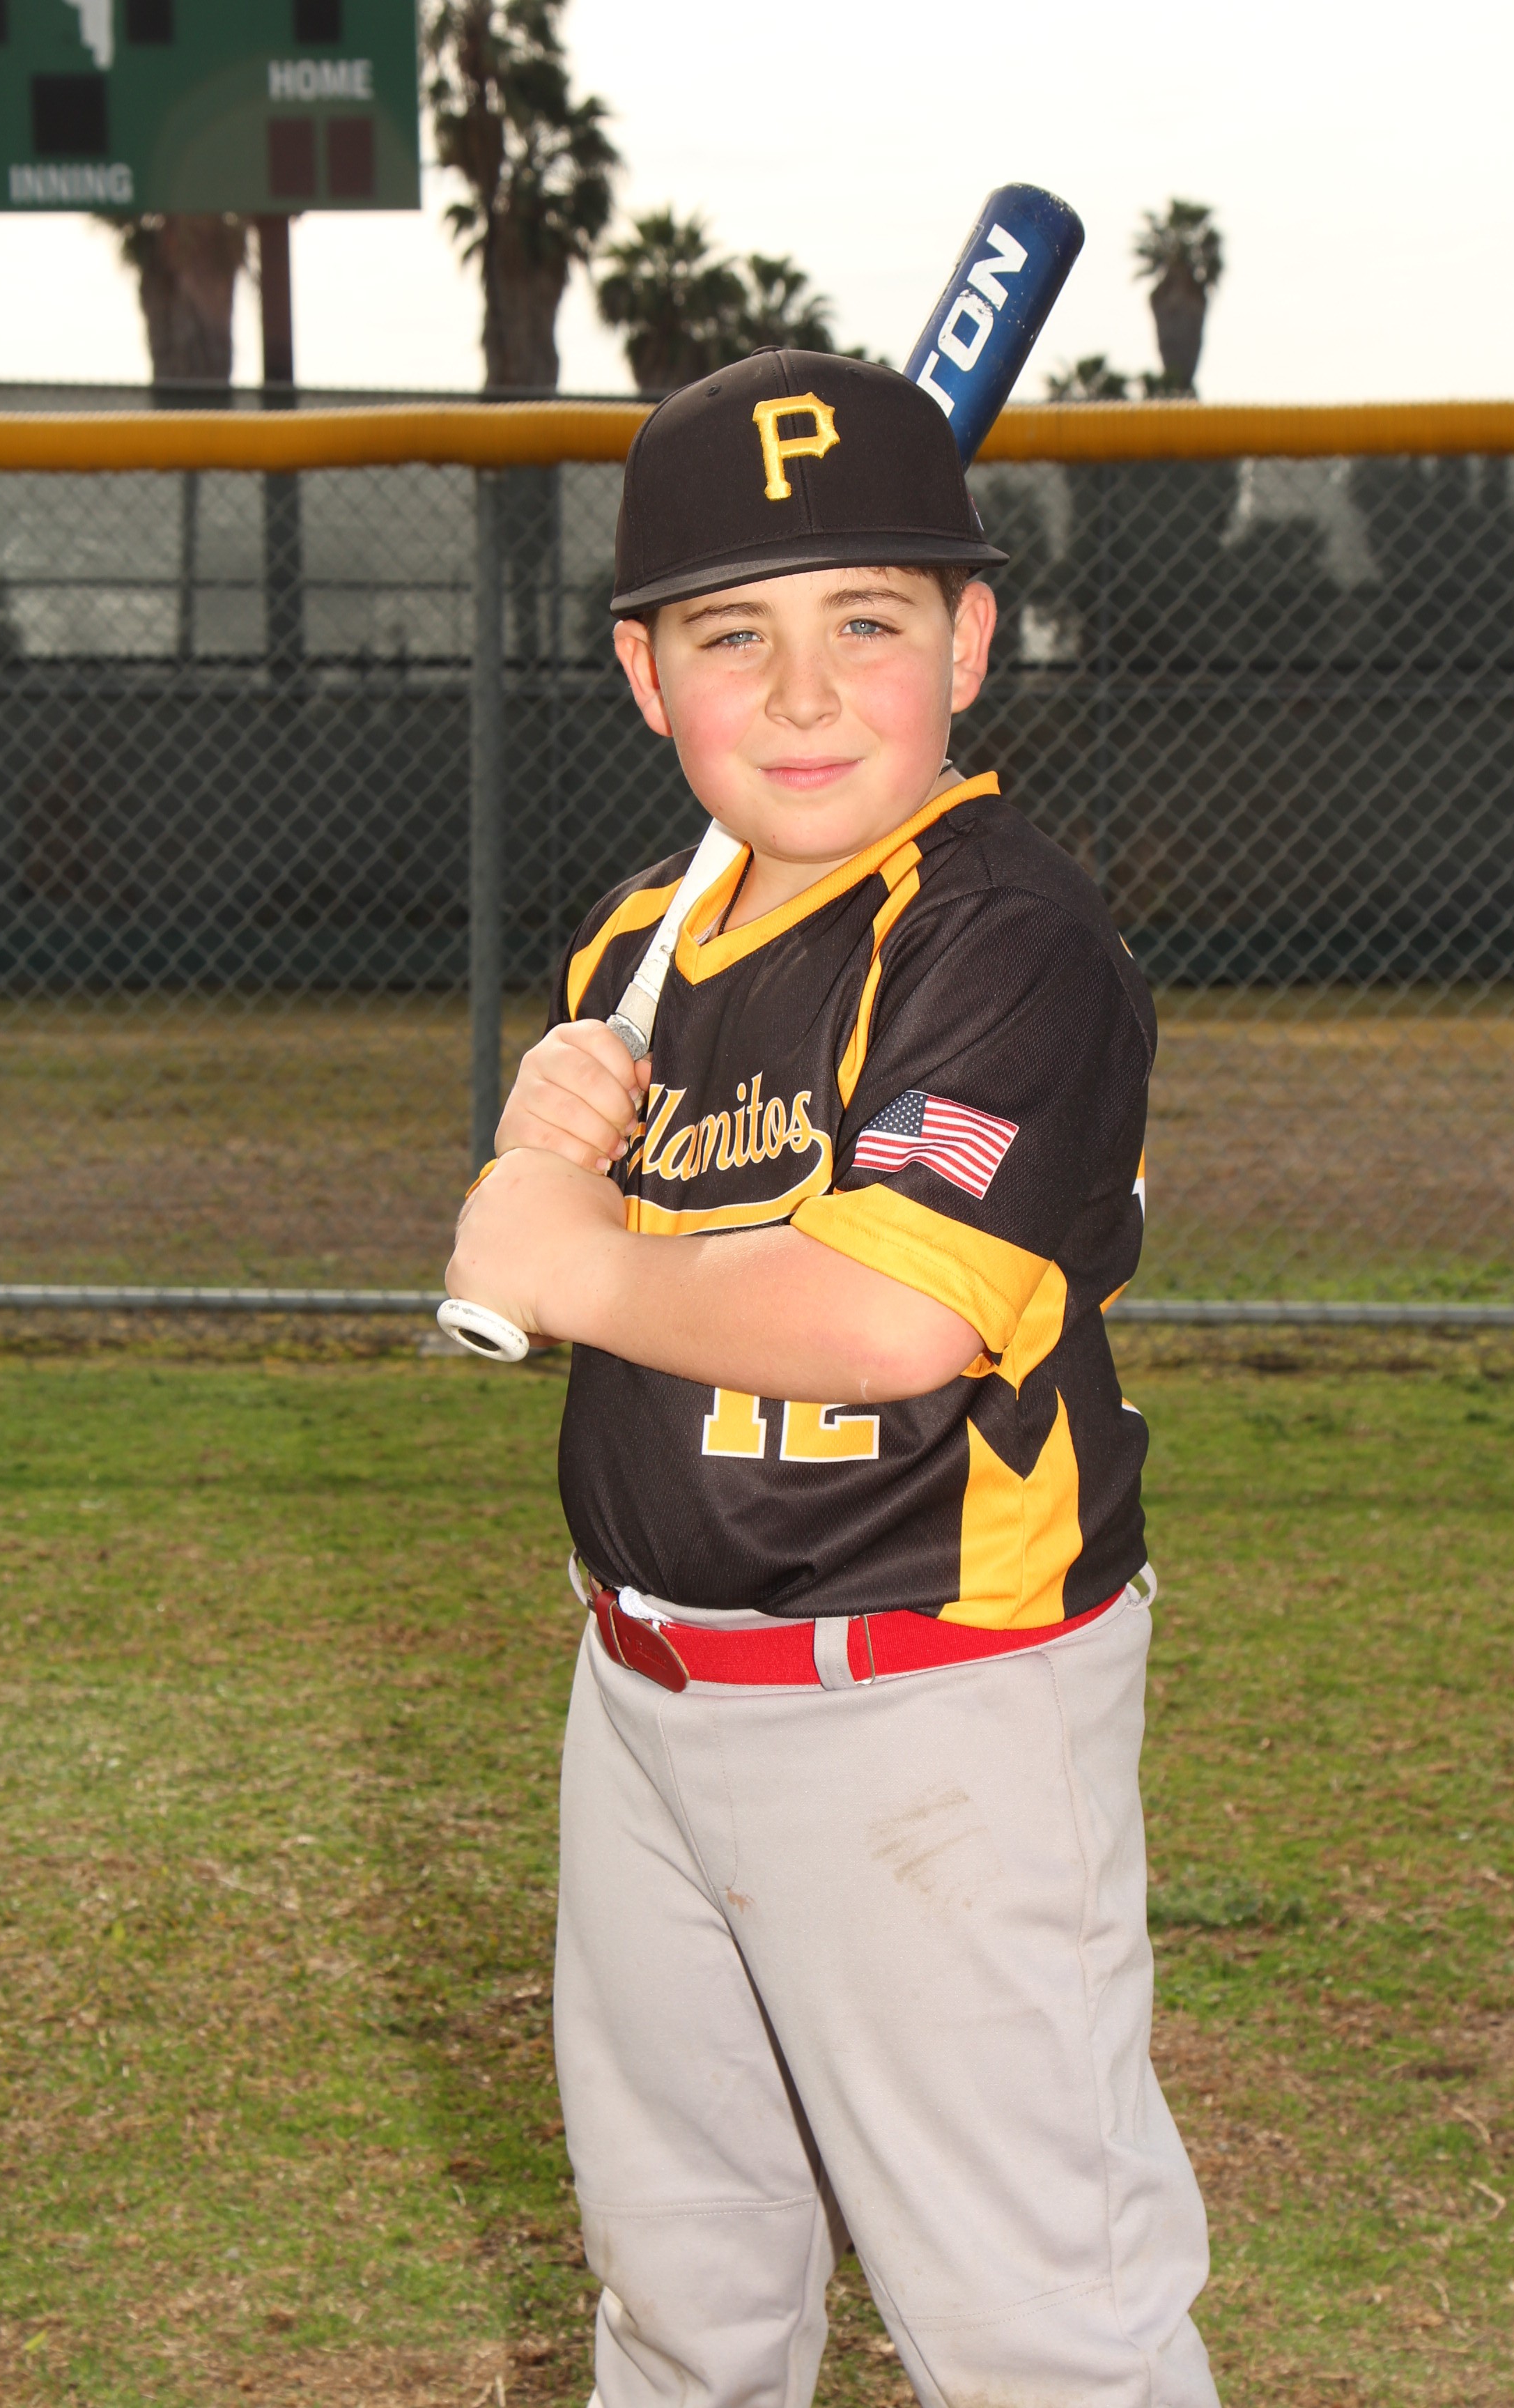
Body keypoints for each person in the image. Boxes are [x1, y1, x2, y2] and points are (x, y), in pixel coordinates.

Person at [446, 348, 1218, 2408]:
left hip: (929, 1703)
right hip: (644, 1686)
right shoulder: (641, 939)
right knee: (685, 2295)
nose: (801, 695)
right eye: (734, 637)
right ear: (645, 676)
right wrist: (558, 1135)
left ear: (968, 646)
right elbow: (655, 1251)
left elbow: (889, 1325)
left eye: (866, 624)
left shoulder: (1007, 938)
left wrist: (568, 1256)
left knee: (1036, 2324)